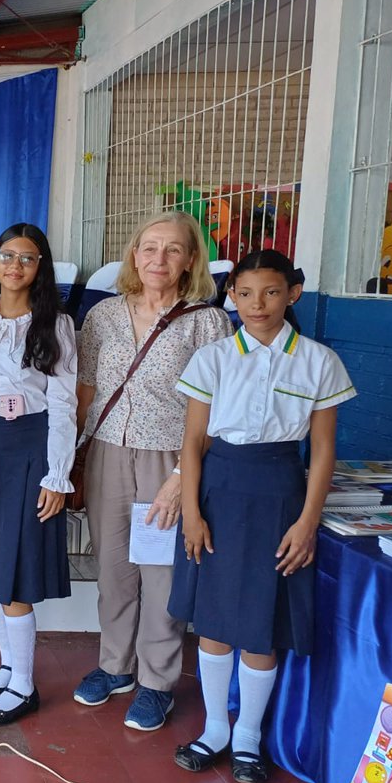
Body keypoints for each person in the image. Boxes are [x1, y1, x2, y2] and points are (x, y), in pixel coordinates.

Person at [170, 250, 354, 783]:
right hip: (219, 492)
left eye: (272, 292)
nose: (258, 304)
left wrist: (307, 521)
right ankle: (215, 730)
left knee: (261, 626)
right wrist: (191, 512)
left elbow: (322, 450)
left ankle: (248, 736)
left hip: (279, 493)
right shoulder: (214, 358)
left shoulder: (319, 361)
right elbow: (194, 441)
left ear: (292, 294)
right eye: (245, 293)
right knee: (213, 623)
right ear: (231, 295)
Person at [73, 211, 232, 732]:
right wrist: (71, 455)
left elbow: (216, 409)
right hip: (107, 452)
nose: (158, 258)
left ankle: (157, 681)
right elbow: (86, 390)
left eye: (172, 249)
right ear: (134, 255)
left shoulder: (207, 323)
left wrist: (182, 476)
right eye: (149, 247)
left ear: (190, 260)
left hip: (170, 458)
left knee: (161, 573)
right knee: (113, 567)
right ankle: (114, 665)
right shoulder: (103, 316)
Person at [0, 224, 77, 726]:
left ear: (40, 267)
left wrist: (57, 475)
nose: (15, 266)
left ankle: (25, 685)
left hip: (32, 447)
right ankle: (8, 666)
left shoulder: (57, 323)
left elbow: (64, 403)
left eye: (27, 258)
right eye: (7, 255)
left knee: (16, 573)